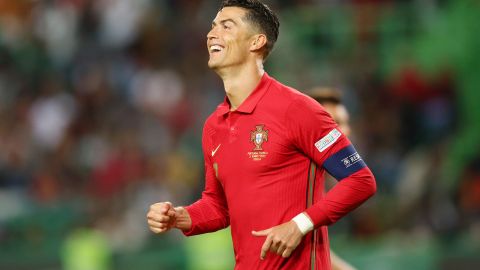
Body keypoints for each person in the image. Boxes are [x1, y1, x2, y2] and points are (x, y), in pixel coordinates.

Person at [147, 1, 376, 269]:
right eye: (212, 27)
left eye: (226, 26)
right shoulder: (214, 126)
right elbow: (218, 206)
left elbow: (360, 180)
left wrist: (299, 225)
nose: (212, 34)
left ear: (256, 41)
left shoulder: (297, 109)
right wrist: (179, 216)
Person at [309, 87, 357, 270]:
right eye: (335, 123)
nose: (345, 131)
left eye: (345, 123)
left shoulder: (317, 176)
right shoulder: (294, 179)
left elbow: (314, 248)